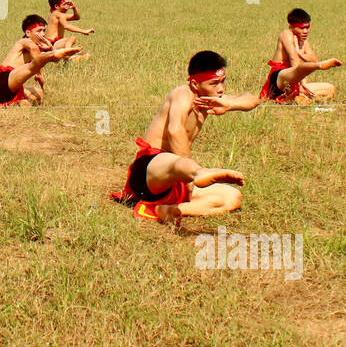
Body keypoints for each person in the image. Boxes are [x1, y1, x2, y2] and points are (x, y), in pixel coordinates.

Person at [110, 50, 259, 225]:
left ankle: (166, 210)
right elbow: (175, 131)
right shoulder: (182, 94)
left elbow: (253, 99)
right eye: (215, 83)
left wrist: (230, 104)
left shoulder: (211, 96)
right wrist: (191, 176)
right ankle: (197, 173)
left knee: (233, 197)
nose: (221, 89)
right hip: (150, 172)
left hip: (179, 177)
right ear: (195, 84)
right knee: (179, 163)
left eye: (223, 81)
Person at [0, 14, 82, 106]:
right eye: (39, 31)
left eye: (44, 30)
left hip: (14, 86)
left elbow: (45, 60)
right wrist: (42, 68)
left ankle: (19, 104)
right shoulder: (25, 41)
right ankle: (57, 52)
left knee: (39, 94)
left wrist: (49, 48)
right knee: (33, 65)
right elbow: (35, 55)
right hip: (5, 78)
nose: (43, 34)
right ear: (28, 33)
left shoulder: (38, 49)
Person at [260, 8, 341, 103]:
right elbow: (293, 59)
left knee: (331, 88)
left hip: (296, 81)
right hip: (280, 77)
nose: (306, 31)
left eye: (308, 27)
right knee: (300, 67)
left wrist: (301, 53)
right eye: (302, 28)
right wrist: (303, 82)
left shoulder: (304, 41)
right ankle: (319, 68)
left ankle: (303, 98)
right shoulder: (286, 34)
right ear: (292, 27)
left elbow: (314, 59)